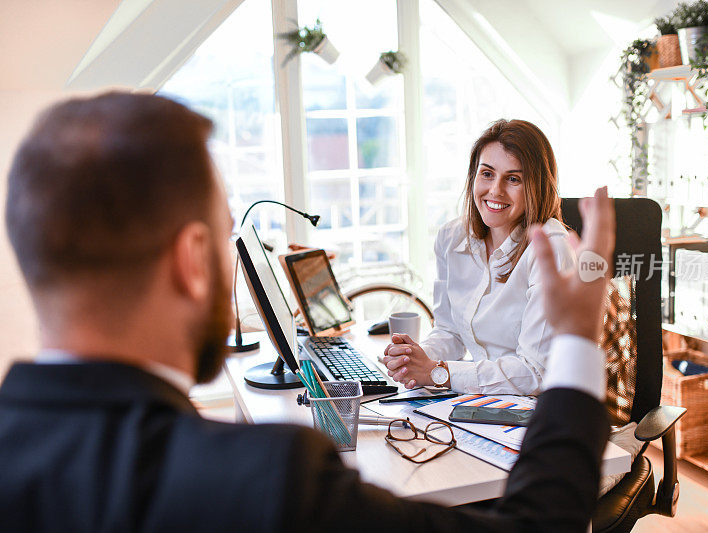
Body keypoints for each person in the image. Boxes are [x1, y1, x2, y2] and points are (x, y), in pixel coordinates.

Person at [0, 92, 614, 532]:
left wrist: (437, 369)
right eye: (220, 237)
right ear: (193, 260)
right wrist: (579, 344)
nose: (495, 192)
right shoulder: (273, 481)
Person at [382, 119, 574, 395]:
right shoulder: (452, 238)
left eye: (513, 179)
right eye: (487, 174)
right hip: (478, 402)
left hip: (534, 412)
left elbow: (535, 372)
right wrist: (414, 359)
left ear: (536, 187)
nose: (495, 190)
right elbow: (450, 332)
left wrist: (438, 372)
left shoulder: (550, 250)